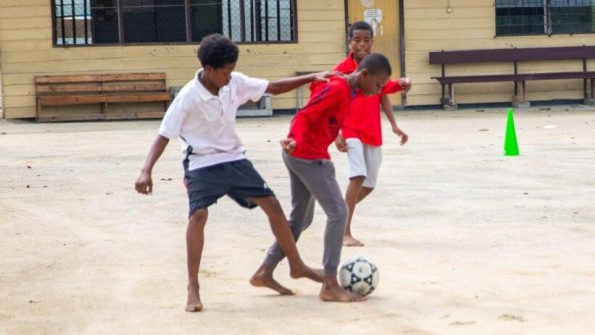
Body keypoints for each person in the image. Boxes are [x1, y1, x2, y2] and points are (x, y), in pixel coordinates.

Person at [134, 34, 324, 312]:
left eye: (232, 70)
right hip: (200, 164)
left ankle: (296, 265)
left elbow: (272, 87)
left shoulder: (233, 83)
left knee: (273, 206)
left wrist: (313, 77)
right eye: (225, 72)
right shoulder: (188, 97)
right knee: (198, 215)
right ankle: (193, 286)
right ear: (208, 69)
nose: (229, 77)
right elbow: (164, 134)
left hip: (234, 159)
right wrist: (145, 171)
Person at [251, 53, 393, 302]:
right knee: (338, 212)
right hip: (307, 156)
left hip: (302, 154)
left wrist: (398, 84)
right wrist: (294, 137)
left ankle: (265, 271)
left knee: (300, 220)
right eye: (378, 85)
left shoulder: (351, 89)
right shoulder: (338, 88)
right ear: (365, 75)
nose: (378, 90)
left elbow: (371, 88)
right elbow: (305, 114)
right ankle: (329, 283)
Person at [331, 21, 411, 247]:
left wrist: (394, 125)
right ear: (349, 42)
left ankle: (337, 212)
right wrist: (336, 133)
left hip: (372, 132)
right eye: (357, 40)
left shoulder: (377, 66)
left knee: (369, 184)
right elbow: (333, 101)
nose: (362, 44)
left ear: (372, 42)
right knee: (357, 176)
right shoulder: (342, 70)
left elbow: (384, 93)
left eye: (367, 40)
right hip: (351, 130)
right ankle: (344, 232)